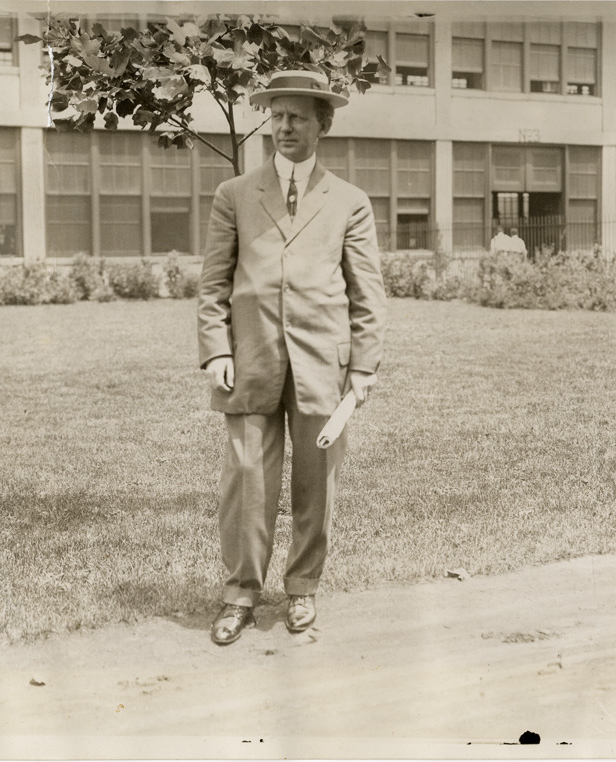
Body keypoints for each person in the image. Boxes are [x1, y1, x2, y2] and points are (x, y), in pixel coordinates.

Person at [197, 70, 387, 646]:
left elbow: (367, 291)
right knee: (247, 479)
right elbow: (213, 284)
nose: (285, 127)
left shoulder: (349, 201)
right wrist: (216, 349)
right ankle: (240, 594)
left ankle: (303, 586)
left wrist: (363, 367)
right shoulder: (234, 194)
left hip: (322, 362)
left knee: (316, 482)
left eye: (298, 117)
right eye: (277, 116)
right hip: (249, 358)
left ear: (321, 125)